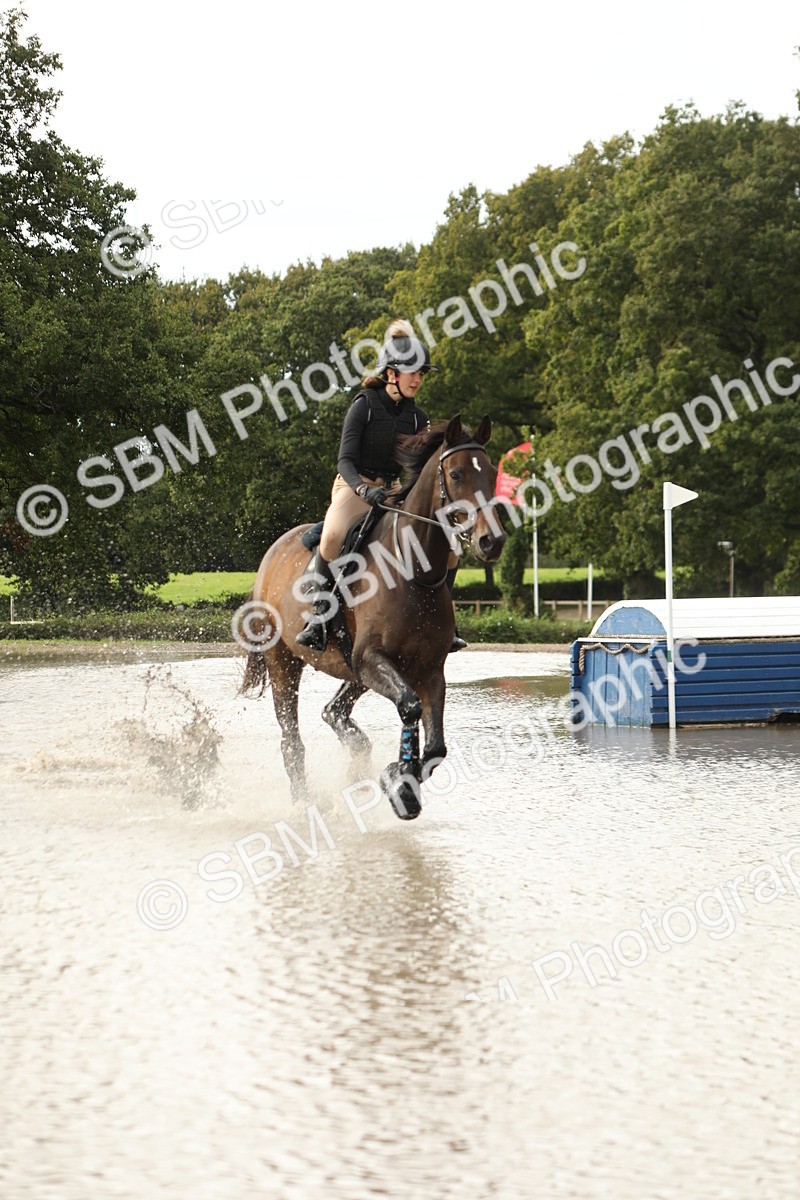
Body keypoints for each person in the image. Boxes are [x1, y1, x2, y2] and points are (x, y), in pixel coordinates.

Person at [296, 318, 466, 653]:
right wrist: (361, 489)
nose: (418, 379)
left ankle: (445, 619)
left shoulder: (419, 417)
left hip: (394, 490)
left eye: (421, 373)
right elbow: (344, 459)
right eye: (413, 372)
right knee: (332, 535)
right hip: (354, 485)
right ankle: (318, 618)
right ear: (391, 374)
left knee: (452, 550)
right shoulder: (364, 406)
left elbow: (421, 469)